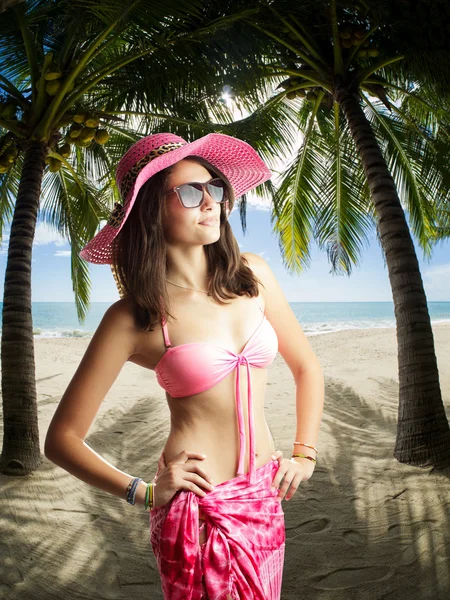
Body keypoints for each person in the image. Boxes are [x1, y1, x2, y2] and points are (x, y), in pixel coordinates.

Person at [44, 132, 324, 599]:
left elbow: (307, 368)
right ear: (152, 209)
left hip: (263, 498)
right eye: (190, 192)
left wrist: (304, 453)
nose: (210, 201)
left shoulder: (253, 276)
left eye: (214, 187)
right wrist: (145, 491)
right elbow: (61, 440)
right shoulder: (135, 317)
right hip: (198, 511)